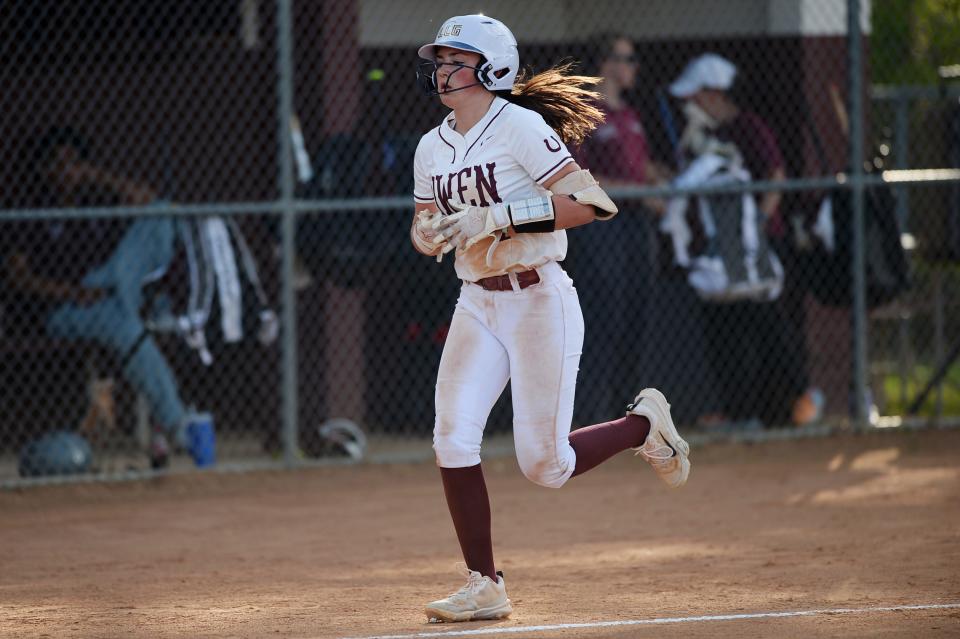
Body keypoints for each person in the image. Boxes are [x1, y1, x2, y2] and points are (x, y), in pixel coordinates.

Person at [411, 15, 691, 623]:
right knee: (452, 436)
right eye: (439, 60)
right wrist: (428, 234)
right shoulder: (431, 146)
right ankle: (484, 584)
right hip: (476, 299)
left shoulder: (519, 126)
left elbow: (594, 202)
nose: (442, 70)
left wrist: (498, 218)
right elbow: (422, 223)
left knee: (545, 465)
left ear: (492, 69)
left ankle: (643, 426)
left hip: (538, 296)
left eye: (455, 59)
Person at [3, 127, 192, 468]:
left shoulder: (95, 199)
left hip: (109, 287)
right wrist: (71, 291)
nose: (67, 171)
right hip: (64, 307)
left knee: (162, 211)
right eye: (58, 164)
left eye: (74, 163)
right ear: (43, 171)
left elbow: (147, 200)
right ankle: (176, 421)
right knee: (122, 321)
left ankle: (126, 294)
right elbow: (18, 278)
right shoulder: (30, 209)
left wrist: (95, 177)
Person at [667, 54, 819, 428]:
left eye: (697, 95)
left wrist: (761, 223)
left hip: (757, 245)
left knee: (765, 321)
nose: (691, 103)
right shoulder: (704, 136)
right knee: (723, 327)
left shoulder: (747, 127)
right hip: (720, 248)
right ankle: (738, 411)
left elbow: (776, 176)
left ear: (715, 92)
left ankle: (801, 396)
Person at [564, 33, 665, 424]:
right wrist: (640, 192)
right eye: (627, 58)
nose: (633, 67)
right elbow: (579, 179)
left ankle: (628, 419)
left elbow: (644, 168)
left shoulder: (631, 115)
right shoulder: (585, 112)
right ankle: (589, 420)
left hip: (637, 227)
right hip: (602, 230)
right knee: (603, 319)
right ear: (605, 63)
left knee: (635, 318)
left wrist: (663, 181)